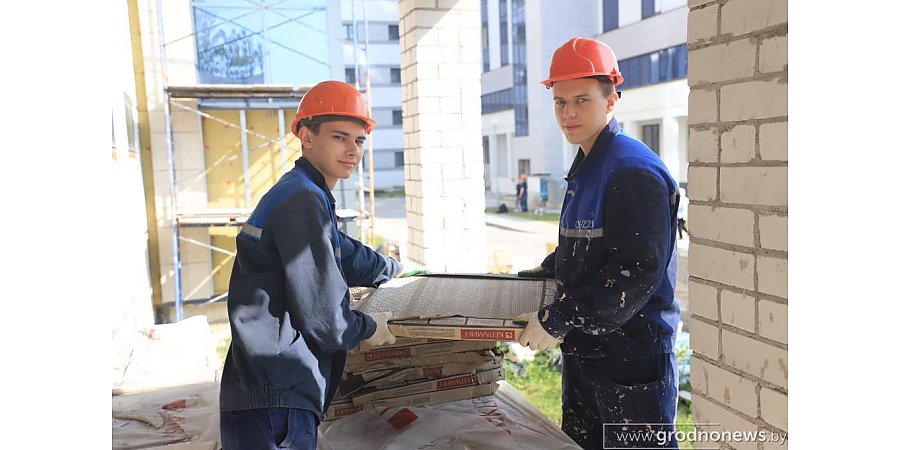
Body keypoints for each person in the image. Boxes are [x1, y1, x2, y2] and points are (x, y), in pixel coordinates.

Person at [218, 80, 402, 450]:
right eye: (339, 137)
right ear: (306, 135)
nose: (353, 150)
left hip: (266, 392)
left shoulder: (302, 191)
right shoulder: (303, 200)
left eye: (360, 140)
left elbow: (343, 252)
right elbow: (328, 321)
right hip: (277, 398)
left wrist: (396, 269)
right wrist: (369, 328)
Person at [517, 37, 681, 449]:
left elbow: (632, 277)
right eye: (559, 102)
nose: (568, 113)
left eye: (582, 100)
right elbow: (590, 247)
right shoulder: (588, 164)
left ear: (612, 100)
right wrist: (543, 273)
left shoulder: (631, 170)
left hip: (631, 360)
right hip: (589, 347)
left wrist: (556, 321)